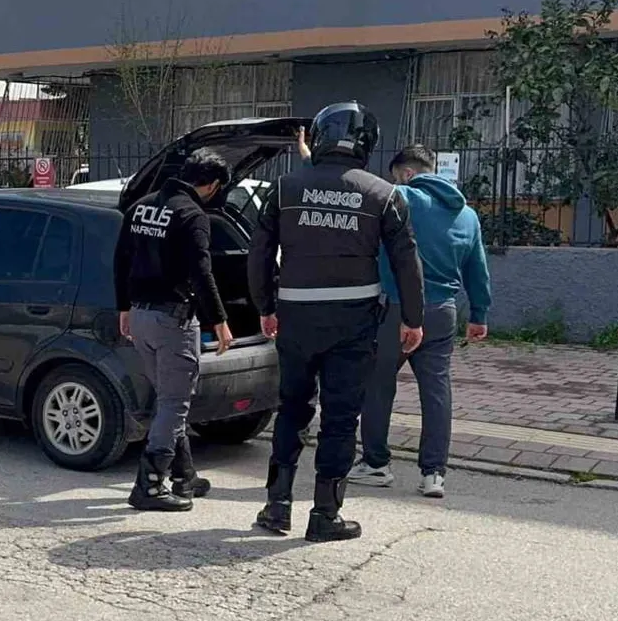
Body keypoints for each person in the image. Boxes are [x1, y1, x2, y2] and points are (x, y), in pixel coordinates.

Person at [247, 102, 425, 543]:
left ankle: (277, 505)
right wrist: (414, 319)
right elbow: (407, 262)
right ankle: (325, 514)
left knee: (291, 409)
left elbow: (259, 254)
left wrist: (265, 307)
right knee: (341, 417)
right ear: (367, 144)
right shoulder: (385, 195)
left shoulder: (284, 189)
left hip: (295, 317)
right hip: (354, 322)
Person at [349, 145, 492, 498]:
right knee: (437, 390)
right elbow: (478, 269)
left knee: (378, 383)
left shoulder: (402, 197)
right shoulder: (468, 215)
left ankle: (376, 463)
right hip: (444, 311)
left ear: (407, 173)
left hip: (398, 309)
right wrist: (479, 315)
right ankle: (434, 474)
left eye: (395, 176)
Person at [114, 148, 235, 512]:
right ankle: (148, 486)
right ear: (212, 185)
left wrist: (123, 307)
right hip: (173, 319)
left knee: (168, 399)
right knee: (174, 402)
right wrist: (220, 321)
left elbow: (121, 260)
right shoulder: (192, 215)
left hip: (140, 316)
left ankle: (185, 476)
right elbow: (202, 271)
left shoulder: (141, 206)